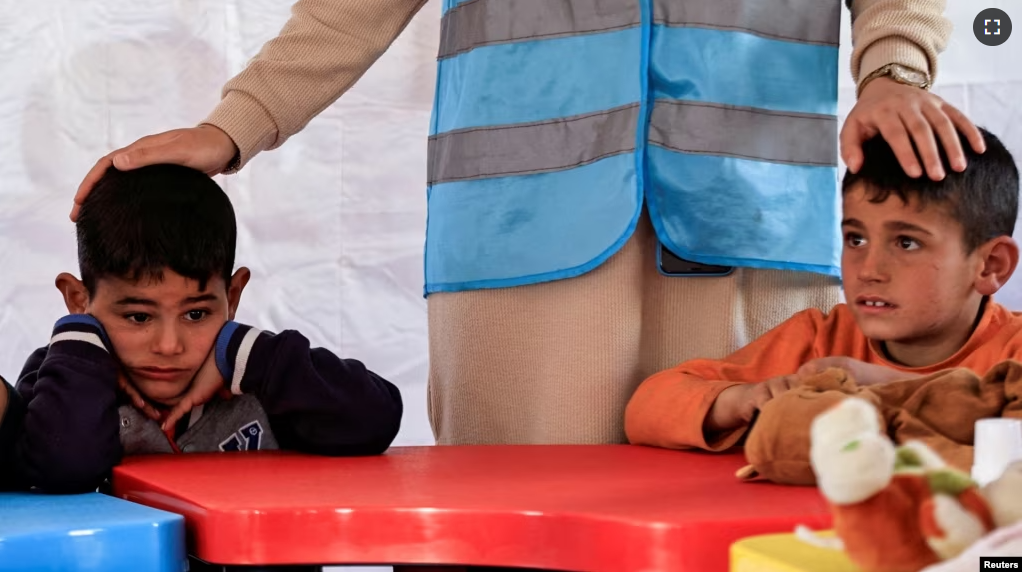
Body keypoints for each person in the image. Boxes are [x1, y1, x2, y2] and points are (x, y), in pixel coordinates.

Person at [73, 0, 985, 445]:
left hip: (753, 211)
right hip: (517, 228)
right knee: (518, 532)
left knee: (754, 513)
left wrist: (893, 74)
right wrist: (234, 127)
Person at [14, 165, 403, 493]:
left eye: (196, 314)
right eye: (138, 317)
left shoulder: (265, 381)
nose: (169, 346)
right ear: (78, 300)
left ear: (232, 296)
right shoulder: (62, 379)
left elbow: (376, 420)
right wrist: (85, 352)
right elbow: (60, 466)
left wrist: (252, 358)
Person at [625, 128, 1020, 451]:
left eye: (906, 243)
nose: (869, 270)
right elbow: (647, 407)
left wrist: (883, 387)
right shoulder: (821, 340)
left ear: (990, 265)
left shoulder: (1013, 352)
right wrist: (743, 400)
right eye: (855, 239)